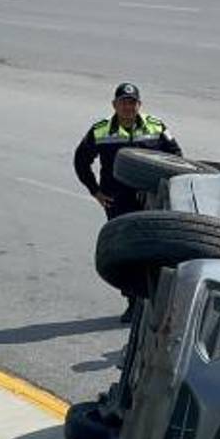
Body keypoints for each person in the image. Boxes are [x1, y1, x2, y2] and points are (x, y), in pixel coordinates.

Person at [74, 82, 182, 322]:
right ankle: (133, 301)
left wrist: (168, 189)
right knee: (126, 253)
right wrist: (96, 191)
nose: (128, 107)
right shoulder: (100, 131)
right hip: (118, 201)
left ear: (139, 105)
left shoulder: (156, 126)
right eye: (123, 102)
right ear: (114, 105)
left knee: (153, 251)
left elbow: (177, 156)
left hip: (150, 199)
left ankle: (153, 300)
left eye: (132, 102)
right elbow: (81, 161)